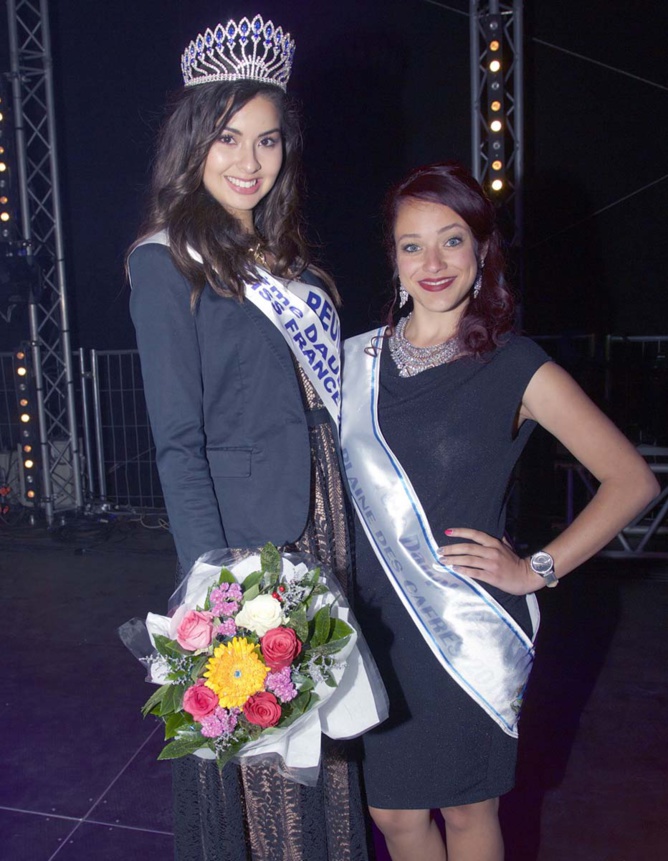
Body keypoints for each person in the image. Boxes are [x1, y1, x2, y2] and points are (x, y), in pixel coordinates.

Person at [340, 161, 659, 861]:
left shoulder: (515, 365)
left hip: (464, 624)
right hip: (373, 626)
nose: (432, 262)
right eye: (411, 244)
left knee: (465, 805)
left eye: (452, 240)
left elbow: (631, 480)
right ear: (392, 258)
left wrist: (535, 568)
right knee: (393, 815)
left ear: (482, 250)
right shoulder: (352, 364)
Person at [128, 15, 374, 861]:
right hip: (250, 546)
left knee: (328, 758)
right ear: (194, 140)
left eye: (268, 141)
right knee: (271, 767)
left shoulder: (289, 262)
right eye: (228, 136)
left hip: (326, 523)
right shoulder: (168, 264)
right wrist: (214, 585)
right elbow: (176, 442)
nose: (249, 161)